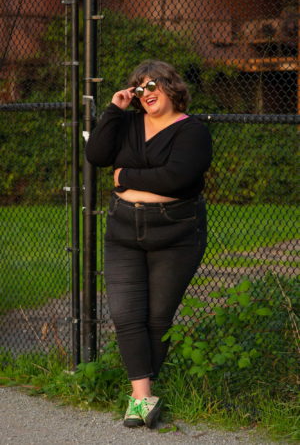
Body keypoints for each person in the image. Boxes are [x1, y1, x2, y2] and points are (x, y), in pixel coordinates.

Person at [85, 59, 212, 429]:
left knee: (157, 319)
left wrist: (124, 175)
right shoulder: (126, 123)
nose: (146, 93)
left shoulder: (192, 132)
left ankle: (143, 392)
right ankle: (141, 397)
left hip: (175, 234)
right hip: (123, 230)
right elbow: (96, 156)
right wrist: (114, 108)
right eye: (139, 87)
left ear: (171, 86)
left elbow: (177, 177)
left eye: (153, 84)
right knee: (126, 316)